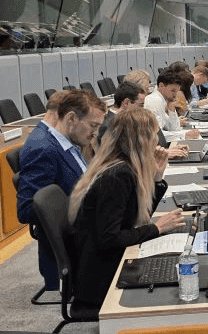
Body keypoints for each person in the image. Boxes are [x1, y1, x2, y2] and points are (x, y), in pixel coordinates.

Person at [67, 108, 185, 309]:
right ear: (140, 140)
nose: (157, 141)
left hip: (106, 261)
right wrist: (156, 229)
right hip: (102, 279)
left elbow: (135, 216)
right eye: (153, 135)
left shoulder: (122, 166)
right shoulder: (117, 175)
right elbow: (110, 238)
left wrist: (156, 178)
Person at [17, 89, 106, 292]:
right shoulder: (44, 149)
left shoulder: (67, 142)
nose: (96, 132)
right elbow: (27, 210)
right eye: (93, 125)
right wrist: (84, 206)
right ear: (72, 118)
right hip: (75, 245)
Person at [144, 70, 201, 141]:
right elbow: (157, 135)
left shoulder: (163, 100)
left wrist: (172, 111)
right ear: (161, 86)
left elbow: (174, 128)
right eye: (173, 91)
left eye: (177, 91)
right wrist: (185, 135)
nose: (175, 95)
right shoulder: (154, 101)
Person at [97, 80, 146, 145]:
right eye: (141, 105)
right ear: (126, 102)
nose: (142, 109)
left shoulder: (126, 119)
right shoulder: (108, 127)